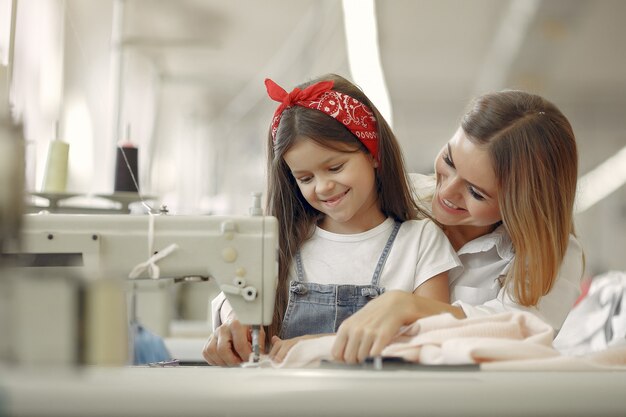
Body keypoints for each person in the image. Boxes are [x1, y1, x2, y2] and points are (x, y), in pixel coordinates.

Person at [202, 74, 460, 366]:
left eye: (335, 167)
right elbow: (235, 299)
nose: (322, 187)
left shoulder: (421, 241)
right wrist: (234, 320)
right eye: (305, 178)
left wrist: (326, 345)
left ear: (373, 154)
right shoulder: (280, 242)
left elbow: (436, 335)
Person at [331, 89, 585, 363]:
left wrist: (409, 306)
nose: (447, 192)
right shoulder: (398, 200)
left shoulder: (556, 256)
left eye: (476, 192)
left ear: (523, 205)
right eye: (450, 161)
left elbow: (520, 329)